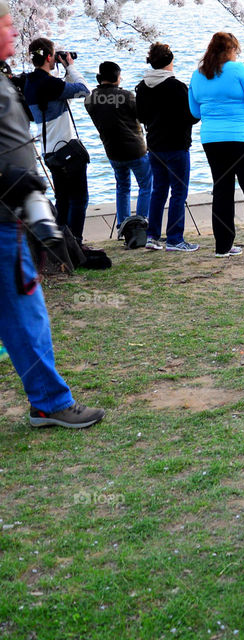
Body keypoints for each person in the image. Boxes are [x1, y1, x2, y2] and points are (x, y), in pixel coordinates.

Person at [0, 1, 105, 429]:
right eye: (6, 24)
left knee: (25, 313)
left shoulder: (17, 81)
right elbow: (80, 90)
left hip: (19, 199)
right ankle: (49, 401)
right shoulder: (40, 82)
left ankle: (47, 399)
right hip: (14, 204)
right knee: (26, 314)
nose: (13, 32)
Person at [189, 32, 244, 259]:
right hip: (241, 138)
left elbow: (195, 112)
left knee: (222, 190)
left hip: (212, 139)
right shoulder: (239, 70)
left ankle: (223, 246)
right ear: (231, 50)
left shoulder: (198, 74)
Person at [22, 37, 91, 243]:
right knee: (79, 199)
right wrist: (70, 66)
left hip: (49, 151)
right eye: (53, 56)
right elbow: (84, 90)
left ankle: (62, 245)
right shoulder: (50, 83)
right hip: (67, 149)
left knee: (62, 199)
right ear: (49, 57)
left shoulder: (29, 83)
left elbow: (64, 94)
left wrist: (63, 72)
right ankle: (75, 242)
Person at [136, 42, 200, 252]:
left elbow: (141, 116)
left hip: (155, 144)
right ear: (170, 61)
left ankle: (152, 235)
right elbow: (191, 116)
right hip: (176, 144)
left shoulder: (143, 87)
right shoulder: (177, 87)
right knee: (179, 192)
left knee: (159, 190)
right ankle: (174, 238)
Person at [84, 61, 153, 230]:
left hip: (112, 151)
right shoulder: (126, 96)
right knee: (145, 185)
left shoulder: (90, 100)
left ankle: (123, 224)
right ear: (116, 77)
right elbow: (143, 116)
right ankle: (141, 222)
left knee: (122, 187)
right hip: (135, 149)